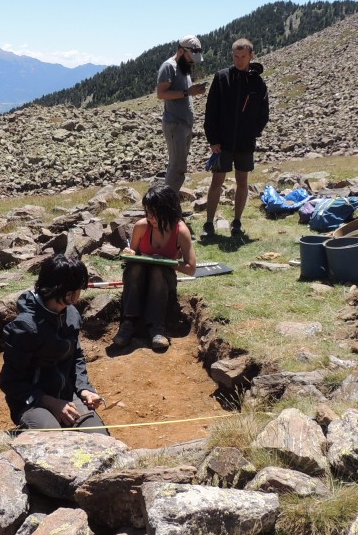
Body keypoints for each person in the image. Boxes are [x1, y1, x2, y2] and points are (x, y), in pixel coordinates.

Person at [0, 254, 107, 434]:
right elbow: (10, 383)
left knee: (99, 437)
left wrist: (84, 389)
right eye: (80, 288)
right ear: (67, 293)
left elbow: (77, 357)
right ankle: (21, 436)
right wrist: (52, 403)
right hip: (32, 401)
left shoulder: (71, 314)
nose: (81, 292)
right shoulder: (25, 327)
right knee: (53, 436)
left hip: (67, 395)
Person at [112, 184, 196, 351]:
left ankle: (157, 327)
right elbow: (132, 254)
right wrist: (129, 252)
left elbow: (191, 268)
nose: (150, 217)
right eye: (147, 212)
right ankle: (128, 323)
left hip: (164, 282)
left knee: (158, 270)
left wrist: (166, 261)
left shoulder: (181, 231)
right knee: (135, 266)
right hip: (139, 281)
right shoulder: (142, 226)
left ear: (167, 210)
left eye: (154, 213)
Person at [203, 38, 270, 237]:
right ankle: (208, 224)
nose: (239, 60)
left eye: (243, 57)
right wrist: (213, 139)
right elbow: (211, 110)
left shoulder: (257, 82)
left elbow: (263, 113)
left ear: (251, 55)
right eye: (235, 57)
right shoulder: (222, 77)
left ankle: (237, 223)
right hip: (221, 143)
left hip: (244, 142)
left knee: (242, 181)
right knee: (217, 181)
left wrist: (253, 132)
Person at [157, 35, 208, 193]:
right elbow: (161, 94)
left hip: (184, 124)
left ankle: (168, 203)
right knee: (177, 167)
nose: (192, 62)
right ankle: (166, 205)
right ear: (181, 51)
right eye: (190, 58)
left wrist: (193, 92)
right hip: (175, 124)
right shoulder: (168, 66)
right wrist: (187, 93)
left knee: (178, 165)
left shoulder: (183, 67)